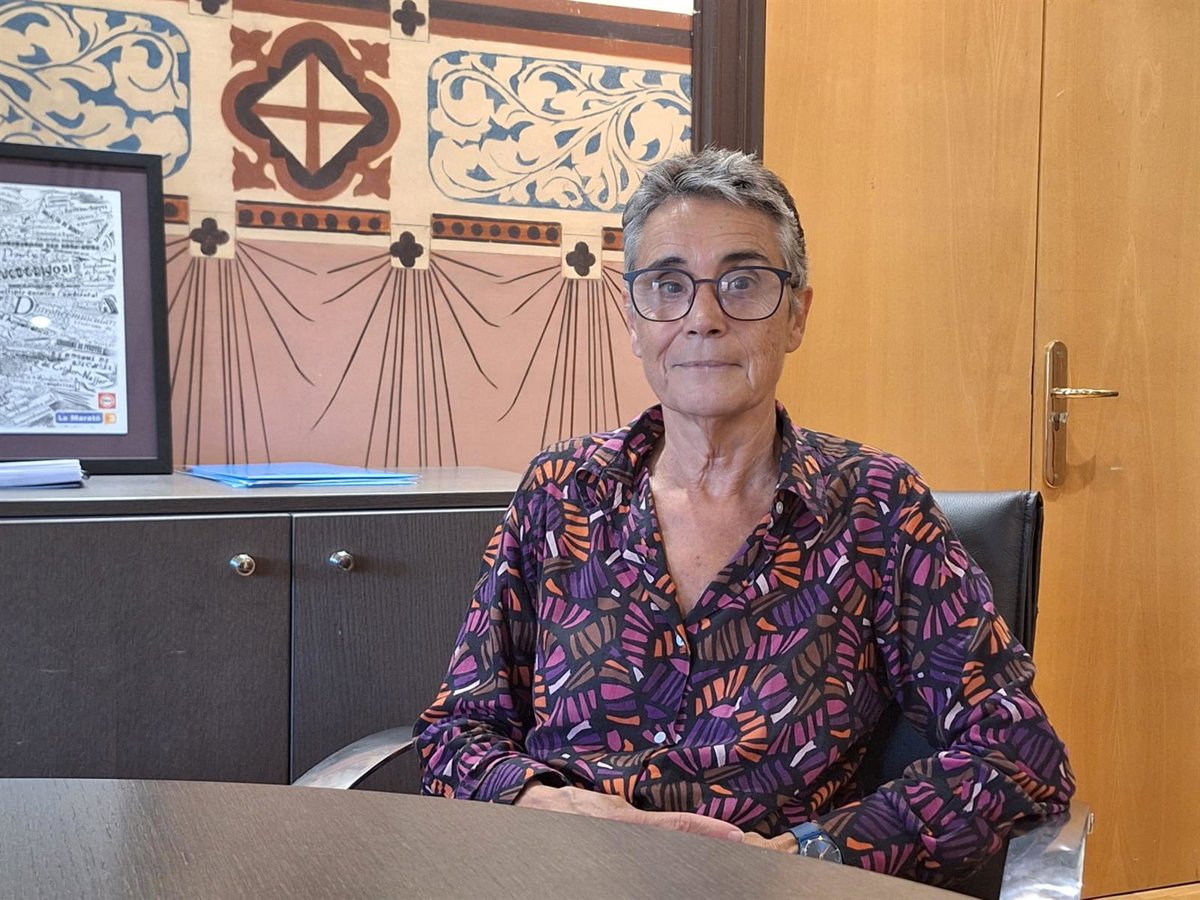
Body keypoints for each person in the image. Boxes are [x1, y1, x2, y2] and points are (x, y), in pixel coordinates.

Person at [414, 147, 1074, 885]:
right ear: (634, 319)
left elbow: (1018, 754)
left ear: (796, 316)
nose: (704, 318)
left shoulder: (876, 508)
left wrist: (808, 853)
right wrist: (553, 806)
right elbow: (456, 732)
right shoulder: (561, 492)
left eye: (743, 282)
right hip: (560, 874)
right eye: (668, 285)